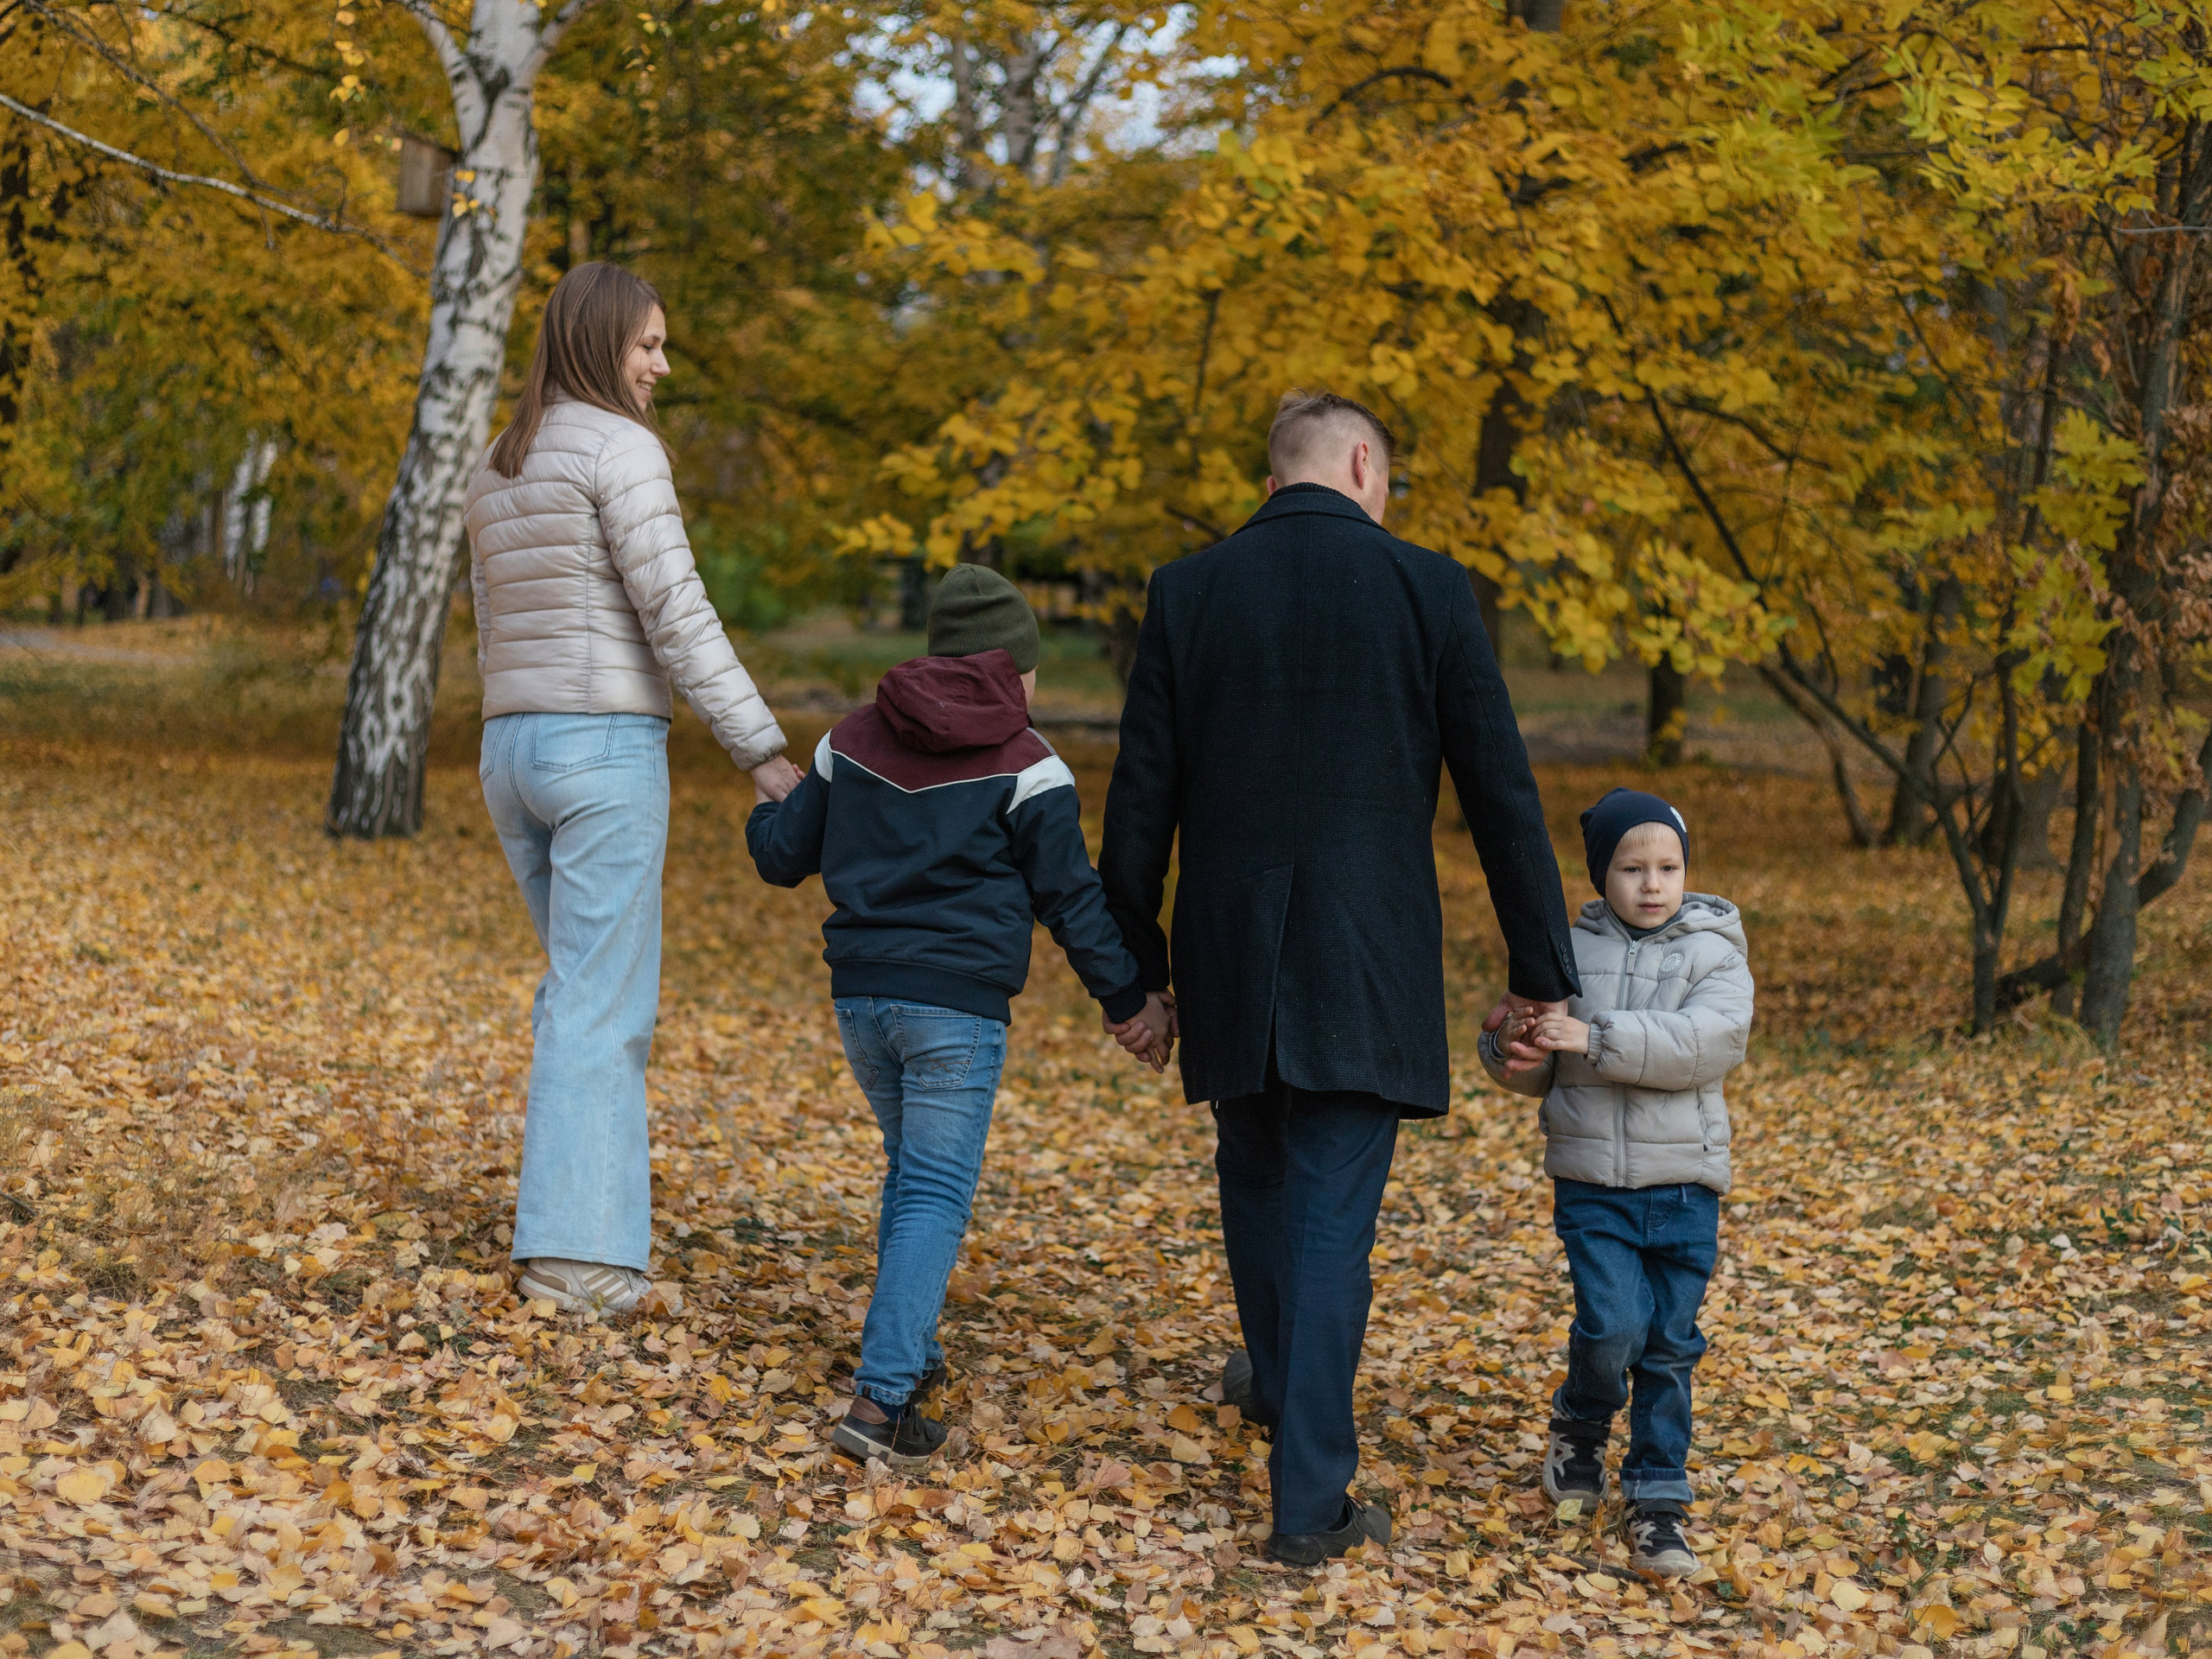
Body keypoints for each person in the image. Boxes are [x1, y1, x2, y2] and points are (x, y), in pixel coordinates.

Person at [1097, 389, 1582, 1567]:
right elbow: (1502, 796)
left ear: (1275, 481)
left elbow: (1137, 805)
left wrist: (1135, 975)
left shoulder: (1190, 589)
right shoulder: (1429, 589)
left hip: (1229, 948)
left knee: (1256, 1172)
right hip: (1366, 952)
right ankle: (1309, 1502)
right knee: (1326, 1217)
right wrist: (1542, 975)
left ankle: (1278, 1386)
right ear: (1364, 464)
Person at [748, 566, 1173, 1471]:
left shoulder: (849, 738)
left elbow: (783, 857)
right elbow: (1072, 901)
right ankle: (881, 1403)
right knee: (935, 1190)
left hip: (861, 1000)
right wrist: (1128, 1004)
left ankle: (914, 1354)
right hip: (954, 1009)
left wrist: (765, 806)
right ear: (1014, 666)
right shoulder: (1029, 763)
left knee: (913, 1176)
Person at [463, 262, 803, 1319]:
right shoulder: (622, 449)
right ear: (599, 341)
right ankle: (578, 1262)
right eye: (647, 344)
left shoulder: (496, 462)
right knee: (602, 1005)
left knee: (579, 992)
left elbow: (491, 624)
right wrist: (761, 750)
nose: (660, 365)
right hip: (600, 750)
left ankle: (577, 1232)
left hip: (510, 750)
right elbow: (677, 610)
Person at [1479, 786, 1753, 1578]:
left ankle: (1658, 1499)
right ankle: (1581, 1421)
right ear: (1602, 874)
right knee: (1611, 1328)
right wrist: (1509, 1047)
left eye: (1668, 867)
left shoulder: (1715, 950)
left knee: (1668, 1347)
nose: (1653, 884)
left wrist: (1596, 1035)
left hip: (1684, 1186)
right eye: (1633, 868)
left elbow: (1707, 1043)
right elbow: (1541, 1066)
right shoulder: (1565, 953)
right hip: (1593, 1182)